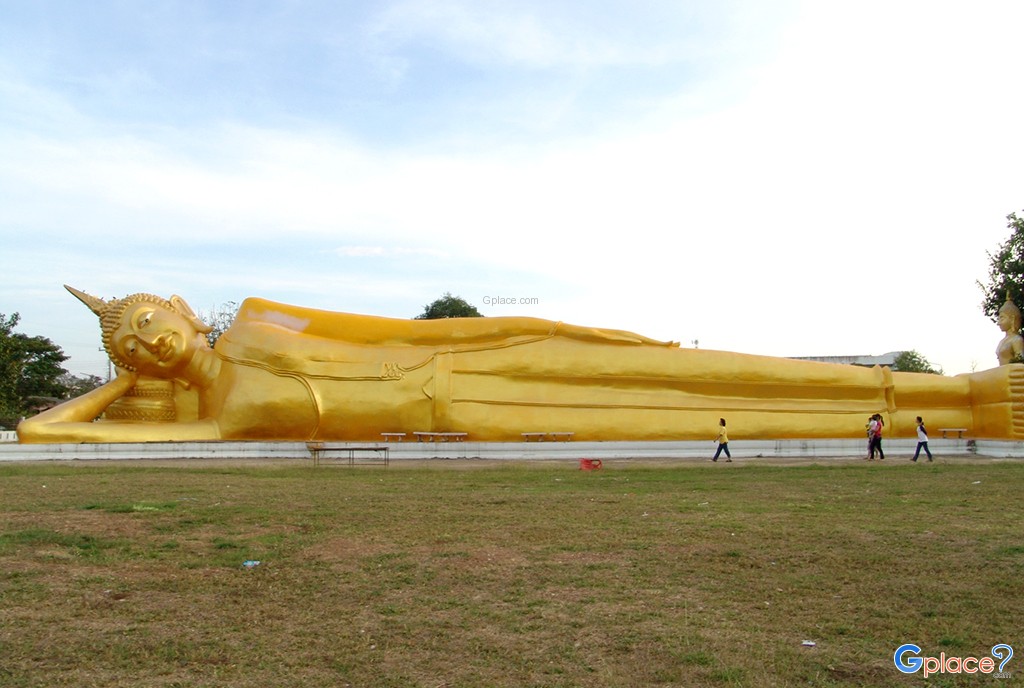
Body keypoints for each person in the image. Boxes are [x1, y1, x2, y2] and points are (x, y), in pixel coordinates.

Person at [15, 285, 1024, 444]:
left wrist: (529, 324)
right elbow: (34, 434)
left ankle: (956, 389)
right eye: (127, 342)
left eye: (151, 321)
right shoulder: (207, 420)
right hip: (470, 412)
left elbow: (403, 336)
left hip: (477, 358)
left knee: (691, 366)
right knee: (707, 416)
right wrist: (110, 389)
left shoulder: (266, 330)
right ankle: (970, 413)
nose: (146, 340)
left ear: (190, 312)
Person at [996, 295, 1024, 366]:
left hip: (1011, 374)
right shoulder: (1002, 341)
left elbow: (1020, 363)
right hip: (1002, 373)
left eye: (1002, 318)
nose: (999, 323)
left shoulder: (1017, 340)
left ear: (1012, 319)